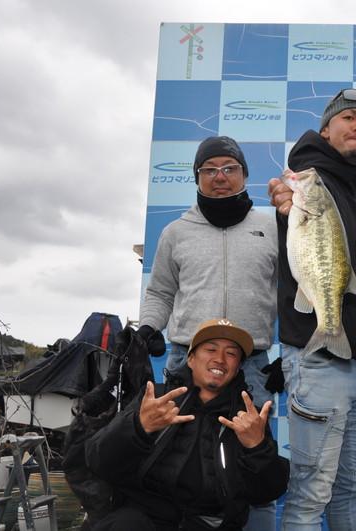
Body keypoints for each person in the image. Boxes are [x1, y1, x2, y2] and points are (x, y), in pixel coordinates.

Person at [138, 135, 280, 527]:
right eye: (209, 170)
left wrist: (292, 356)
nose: (220, 176)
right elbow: (160, 293)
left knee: (255, 467)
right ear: (197, 177)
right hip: (187, 362)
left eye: (229, 168)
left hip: (253, 365)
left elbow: (293, 296)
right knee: (174, 461)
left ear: (244, 175)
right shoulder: (175, 232)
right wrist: (146, 327)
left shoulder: (272, 228)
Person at [267, 88, 356, 530]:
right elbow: (287, 201)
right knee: (310, 495)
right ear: (325, 130)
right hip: (318, 362)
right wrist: (286, 203)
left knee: (351, 488)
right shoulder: (308, 178)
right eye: (349, 117)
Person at [86, 318, 290, 530]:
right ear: (190, 359)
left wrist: (257, 448)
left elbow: (265, 494)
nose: (220, 359)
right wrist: (138, 427)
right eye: (211, 349)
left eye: (231, 354)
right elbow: (98, 462)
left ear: (238, 368)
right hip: (142, 519)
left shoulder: (248, 418)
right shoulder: (156, 399)